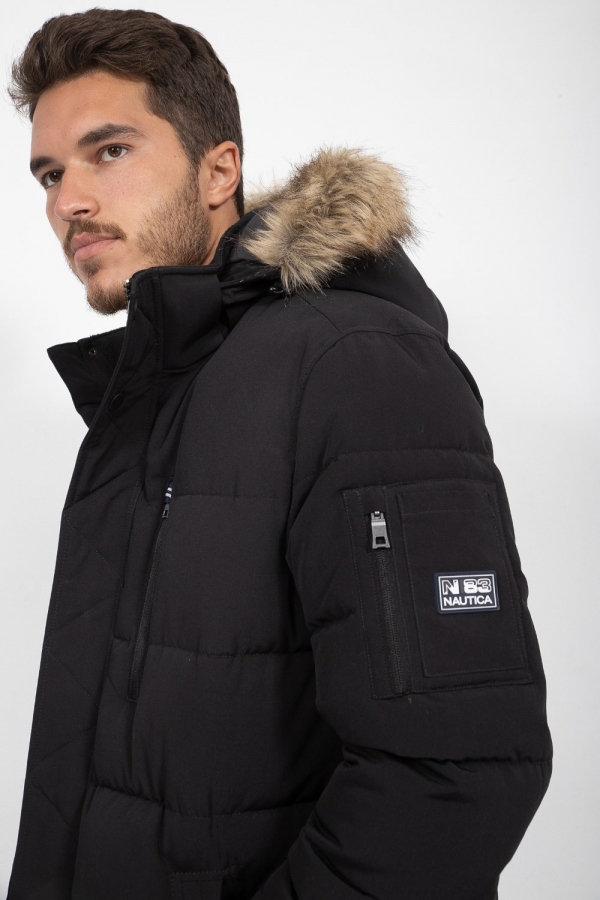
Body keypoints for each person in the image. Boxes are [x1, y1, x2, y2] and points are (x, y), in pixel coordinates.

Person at [7, 9, 552, 900]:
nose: (68, 201)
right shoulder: (164, 389)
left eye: (110, 151)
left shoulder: (354, 362)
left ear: (219, 169)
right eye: (50, 173)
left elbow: (453, 774)